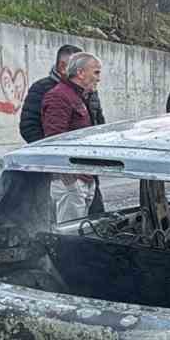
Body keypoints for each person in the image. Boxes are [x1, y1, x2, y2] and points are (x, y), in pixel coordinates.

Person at [40, 51, 104, 218]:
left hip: (85, 175)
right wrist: (69, 180)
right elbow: (54, 140)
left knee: (81, 232)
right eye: (96, 72)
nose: (99, 78)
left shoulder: (82, 96)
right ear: (81, 73)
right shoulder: (59, 96)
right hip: (71, 179)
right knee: (69, 234)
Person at [21, 43, 105, 144]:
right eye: (72, 63)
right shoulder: (49, 91)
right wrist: (43, 149)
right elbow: (34, 129)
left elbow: (99, 123)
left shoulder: (89, 90)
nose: (99, 79)